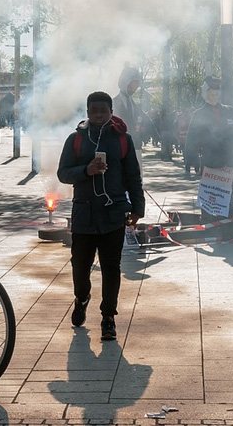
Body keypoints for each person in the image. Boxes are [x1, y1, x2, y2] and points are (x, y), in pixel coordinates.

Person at [57, 91, 145, 341]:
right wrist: (87, 170)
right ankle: (82, 297)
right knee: (79, 267)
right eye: (93, 110)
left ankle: (108, 318)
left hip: (113, 213)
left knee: (111, 268)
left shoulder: (122, 140)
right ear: (87, 112)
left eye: (103, 111)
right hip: (84, 214)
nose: (98, 115)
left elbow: (133, 177)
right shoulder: (75, 139)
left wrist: (137, 207)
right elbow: (63, 173)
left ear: (111, 112)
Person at [185, 76, 233, 220]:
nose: (214, 97)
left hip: (228, 162)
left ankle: (229, 223)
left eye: (216, 94)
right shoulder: (198, 114)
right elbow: (191, 139)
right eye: (210, 94)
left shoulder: (229, 111)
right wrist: (192, 160)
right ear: (205, 94)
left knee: (228, 194)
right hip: (209, 161)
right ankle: (209, 223)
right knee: (209, 195)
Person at [112, 64, 146, 166]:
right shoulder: (113, 103)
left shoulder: (136, 105)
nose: (134, 88)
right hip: (118, 148)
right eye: (132, 84)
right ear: (124, 82)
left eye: (136, 85)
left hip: (135, 146)